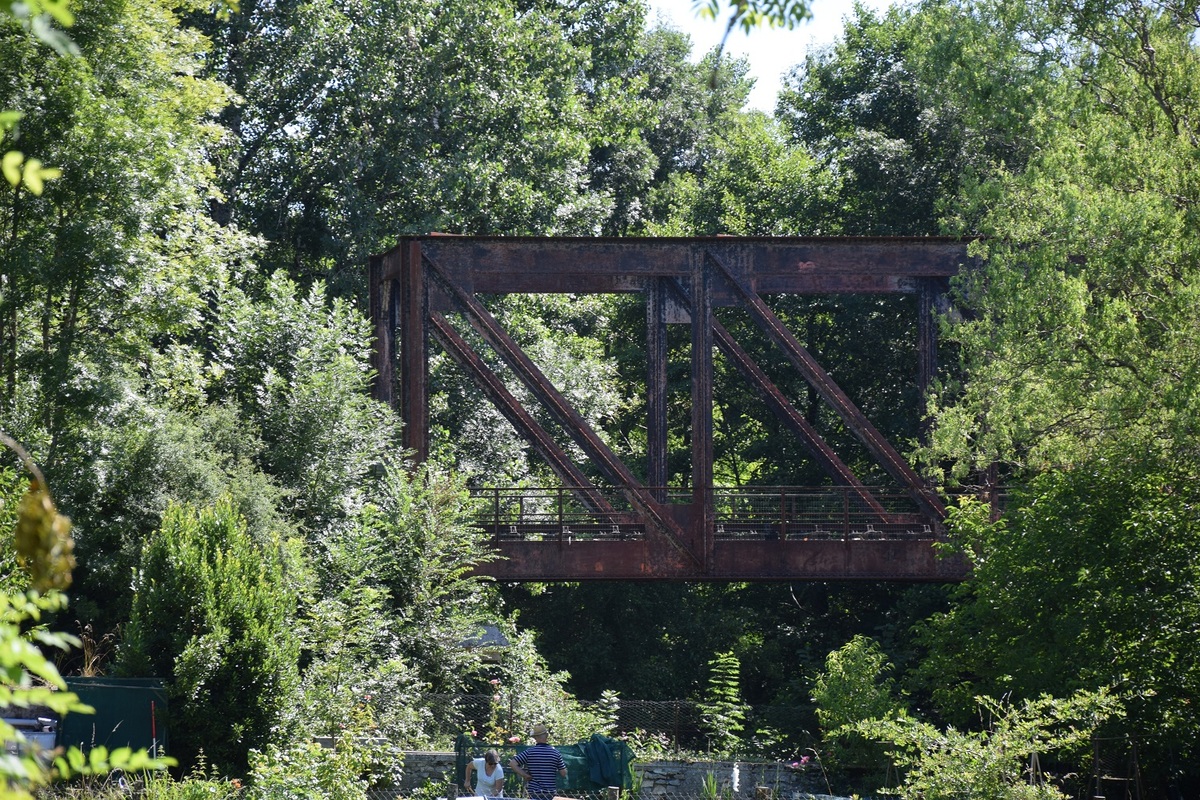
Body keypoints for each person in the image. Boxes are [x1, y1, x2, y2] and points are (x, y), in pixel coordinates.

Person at [508, 723, 566, 800]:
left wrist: (525, 775)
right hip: (550, 793)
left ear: (535, 737)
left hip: (534, 792)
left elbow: (512, 764)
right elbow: (563, 773)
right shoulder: (555, 753)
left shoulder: (530, 752)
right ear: (546, 736)